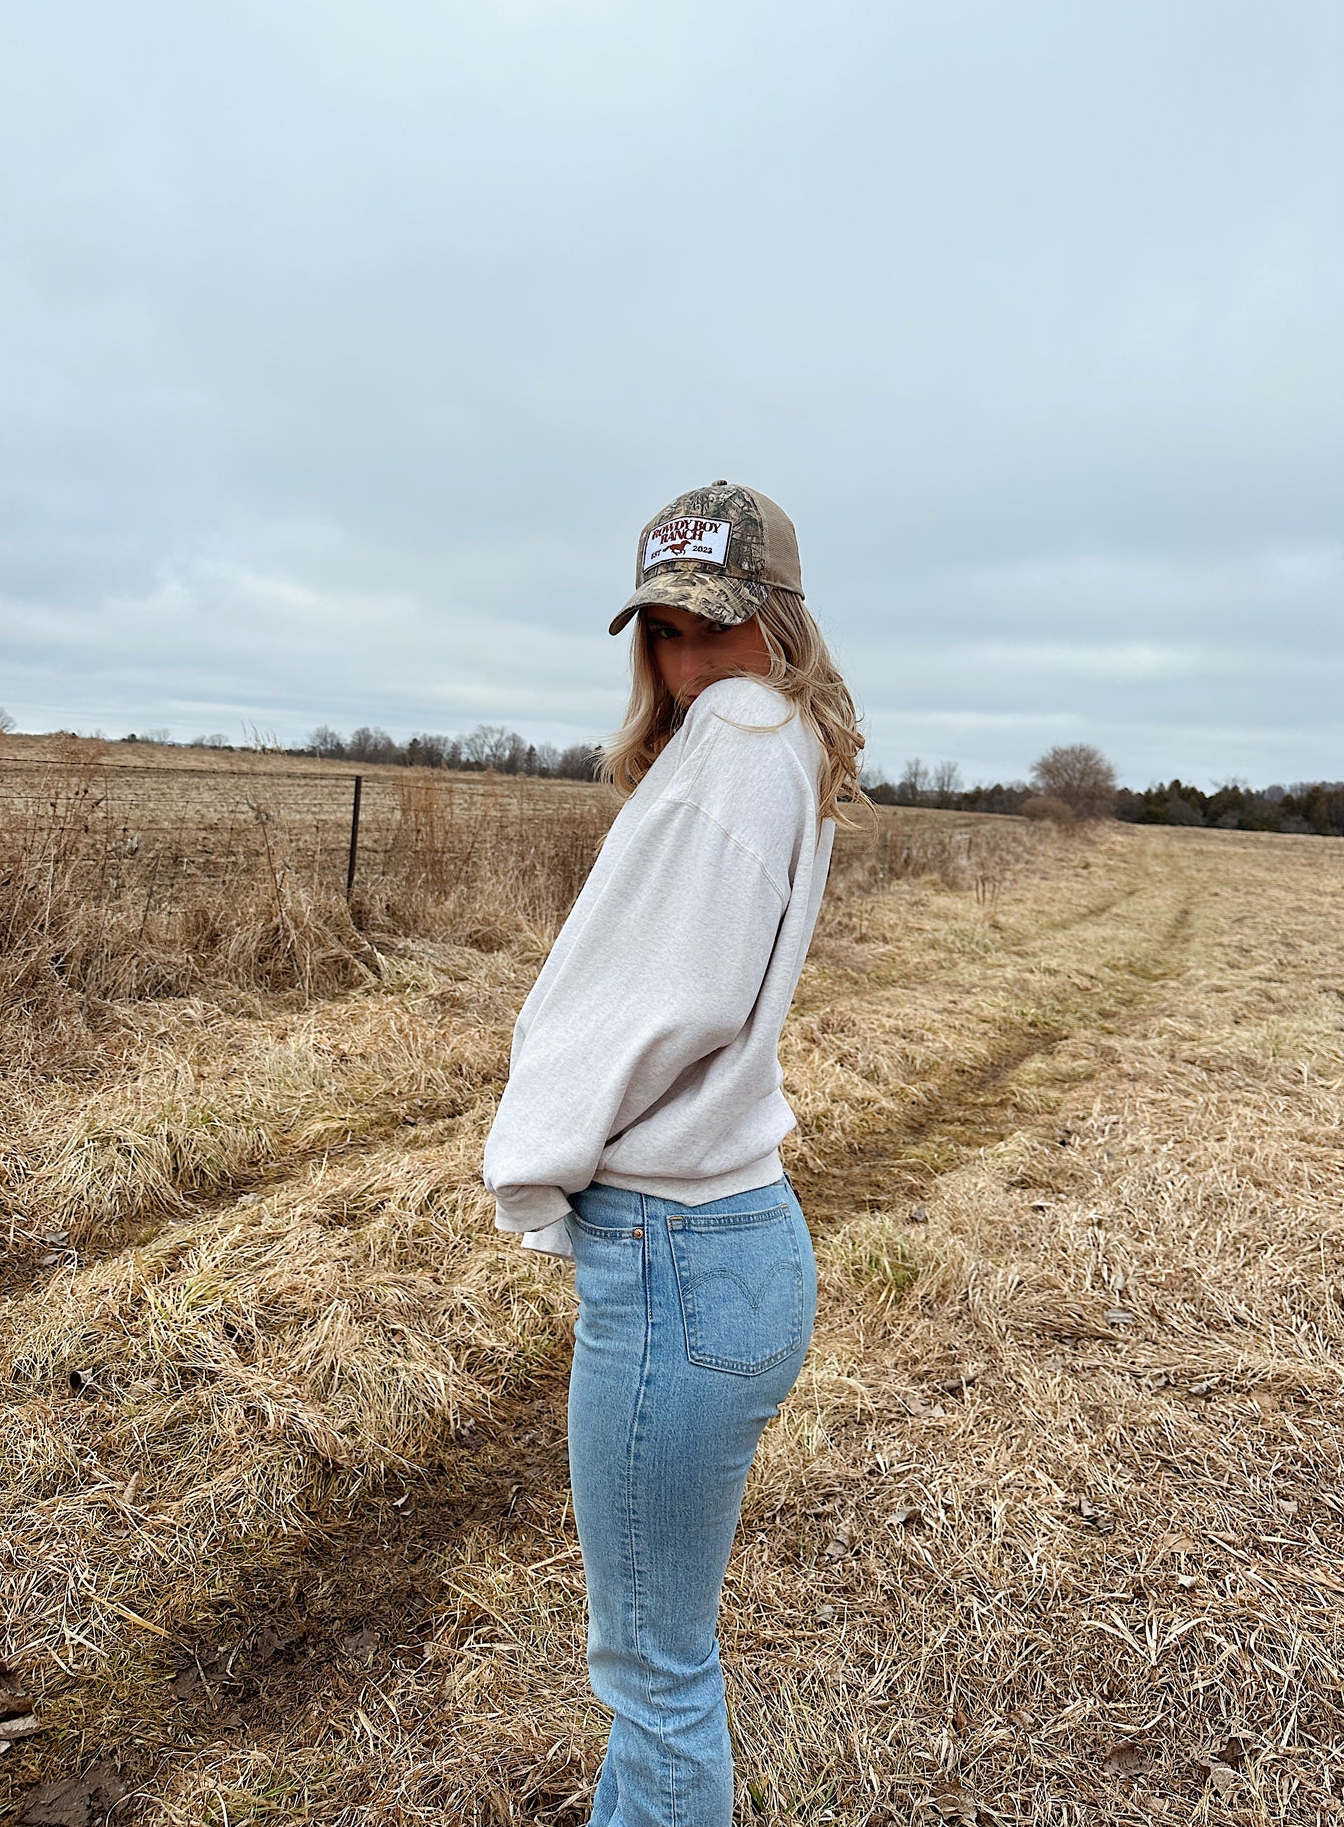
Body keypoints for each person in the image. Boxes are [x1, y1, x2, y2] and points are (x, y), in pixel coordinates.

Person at [483, 480, 864, 1827]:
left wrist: (536, 1147)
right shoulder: (788, 743)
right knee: (657, 1659)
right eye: (662, 631)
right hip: (732, 1247)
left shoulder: (734, 743)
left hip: (676, 1256)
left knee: (652, 1673)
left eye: (711, 628)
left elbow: (652, 1000)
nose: (686, 662)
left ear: (778, 620)